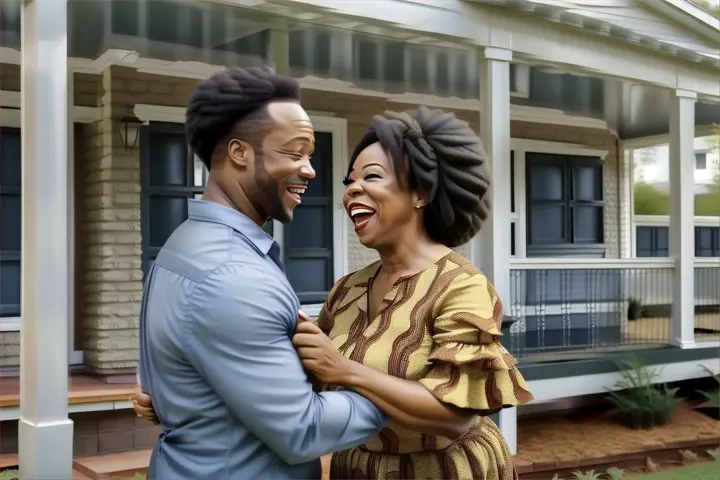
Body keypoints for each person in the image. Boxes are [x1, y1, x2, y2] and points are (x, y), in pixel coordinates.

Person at [135, 106, 534, 479]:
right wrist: (186, 396)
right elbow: (292, 380)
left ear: (421, 193)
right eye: (350, 181)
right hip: (357, 467)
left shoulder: (462, 288)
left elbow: (456, 416)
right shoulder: (348, 289)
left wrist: (347, 371)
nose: (352, 190)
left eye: (372, 177)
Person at [135, 66, 387, 480]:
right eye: (295, 152)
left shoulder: (179, 248)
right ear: (240, 153)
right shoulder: (233, 276)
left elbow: (176, 386)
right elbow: (302, 430)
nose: (310, 170)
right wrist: (406, 387)